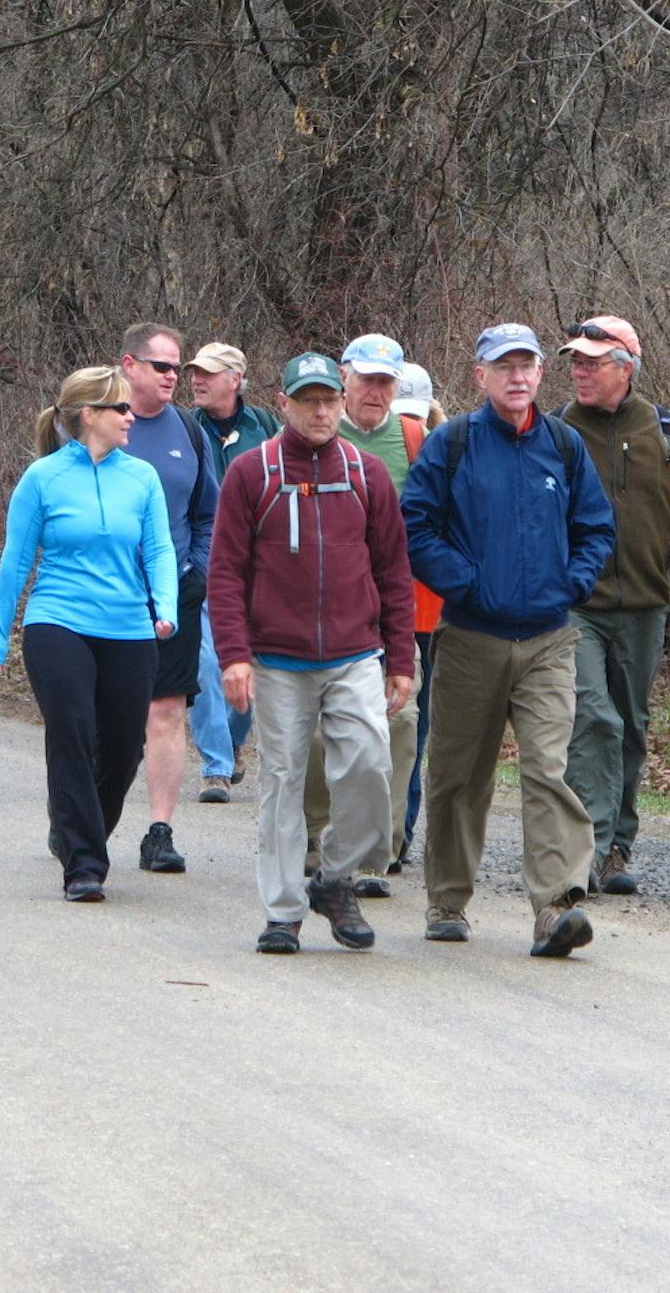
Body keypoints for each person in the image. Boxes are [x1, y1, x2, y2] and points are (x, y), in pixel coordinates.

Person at [401, 323, 616, 957]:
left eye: (527, 365)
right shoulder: (453, 444)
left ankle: (556, 907)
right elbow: (416, 525)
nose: (518, 376)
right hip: (471, 637)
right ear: (481, 375)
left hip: (550, 638)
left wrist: (570, 583)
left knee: (548, 770)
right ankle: (447, 899)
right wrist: (463, 583)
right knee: (459, 775)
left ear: (540, 374)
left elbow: (596, 527)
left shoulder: (565, 446)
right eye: (505, 366)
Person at [209, 354, 416, 953]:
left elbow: (393, 572)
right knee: (281, 780)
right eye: (310, 400)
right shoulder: (253, 473)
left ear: (343, 400)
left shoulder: (367, 473)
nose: (322, 411)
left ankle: (333, 878)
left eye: (330, 399)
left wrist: (399, 658)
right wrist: (234, 655)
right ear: (285, 404)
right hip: (276, 659)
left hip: (354, 653)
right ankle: (282, 913)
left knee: (372, 764)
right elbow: (226, 572)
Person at [0, 365, 177, 901]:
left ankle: (76, 824)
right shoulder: (42, 478)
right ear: (90, 415)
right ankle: (84, 865)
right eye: (120, 408)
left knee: (121, 749)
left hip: (129, 627)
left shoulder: (141, 477)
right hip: (58, 621)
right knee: (71, 733)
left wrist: (167, 607)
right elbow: (16, 561)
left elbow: (159, 551)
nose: (131, 416)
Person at [558, 316, 670, 895]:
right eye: (574, 361)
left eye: (591, 362)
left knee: (631, 726)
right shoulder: (555, 432)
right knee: (592, 719)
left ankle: (617, 850)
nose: (579, 371)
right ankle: (586, 849)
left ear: (624, 368)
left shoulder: (667, 430)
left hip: (646, 607)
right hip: (576, 606)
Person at [299, 333, 432, 895]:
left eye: (386, 382)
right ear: (344, 379)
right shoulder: (316, 430)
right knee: (316, 734)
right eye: (367, 380)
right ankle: (317, 837)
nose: (375, 392)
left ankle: (380, 851)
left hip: (390, 611)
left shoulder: (415, 440)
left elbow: (432, 522)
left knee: (400, 723)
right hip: (314, 612)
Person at [115, 322, 218, 874]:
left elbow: (209, 512)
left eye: (177, 367)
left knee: (167, 709)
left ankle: (160, 831)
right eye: (162, 366)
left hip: (173, 595)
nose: (173, 376)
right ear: (129, 365)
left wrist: (196, 572)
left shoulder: (188, 429)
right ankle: (83, 817)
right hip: (104, 596)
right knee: (107, 716)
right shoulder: (94, 423)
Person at [183, 341, 278, 802]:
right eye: (195, 372)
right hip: (203, 563)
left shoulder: (267, 426)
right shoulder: (182, 428)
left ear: (235, 379)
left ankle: (235, 740)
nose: (197, 380)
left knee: (250, 664)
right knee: (204, 662)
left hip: (261, 567)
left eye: (209, 373)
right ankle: (215, 767)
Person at [391, 361, 448, 868]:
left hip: (426, 611)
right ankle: (393, 829)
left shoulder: (444, 448)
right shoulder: (437, 441)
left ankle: (398, 832)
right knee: (404, 724)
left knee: (410, 727)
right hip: (406, 609)